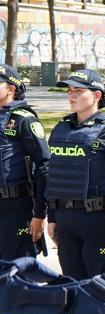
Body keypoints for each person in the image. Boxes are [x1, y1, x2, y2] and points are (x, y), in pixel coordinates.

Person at [45, 70, 105, 278]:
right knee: (72, 286)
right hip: (66, 220)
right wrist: (52, 217)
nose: (71, 96)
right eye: (70, 91)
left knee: (103, 288)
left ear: (96, 96)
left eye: (78, 91)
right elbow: (53, 175)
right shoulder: (61, 128)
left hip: (100, 220)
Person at [0, 64, 49, 261]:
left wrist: (40, 213)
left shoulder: (25, 120)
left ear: (11, 89)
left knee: (19, 273)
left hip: (16, 207)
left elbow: (45, 165)